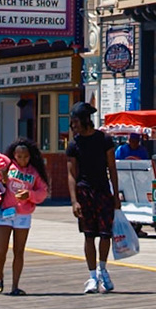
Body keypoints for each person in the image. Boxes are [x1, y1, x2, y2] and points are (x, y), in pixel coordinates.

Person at [68, 102, 123, 294]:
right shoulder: (74, 143)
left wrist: (116, 194)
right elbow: (71, 174)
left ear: (85, 120)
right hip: (84, 192)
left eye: (75, 121)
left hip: (102, 191)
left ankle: (102, 269)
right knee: (89, 234)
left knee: (105, 234)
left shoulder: (104, 140)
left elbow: (112, 168)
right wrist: (74, 200)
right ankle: (92, 276)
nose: (72, 125)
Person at [0, 139, 49, 295]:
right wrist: (2, 164)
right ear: (14, 155)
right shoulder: (6, 166)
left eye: (25, 157)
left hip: (23, 214)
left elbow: (43, 192)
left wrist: (30, 195)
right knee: (1, 250)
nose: (22, 160)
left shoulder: (34, 172)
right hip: (4, 212)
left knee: (19, 251)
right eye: (19, 156)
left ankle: (15, 285)